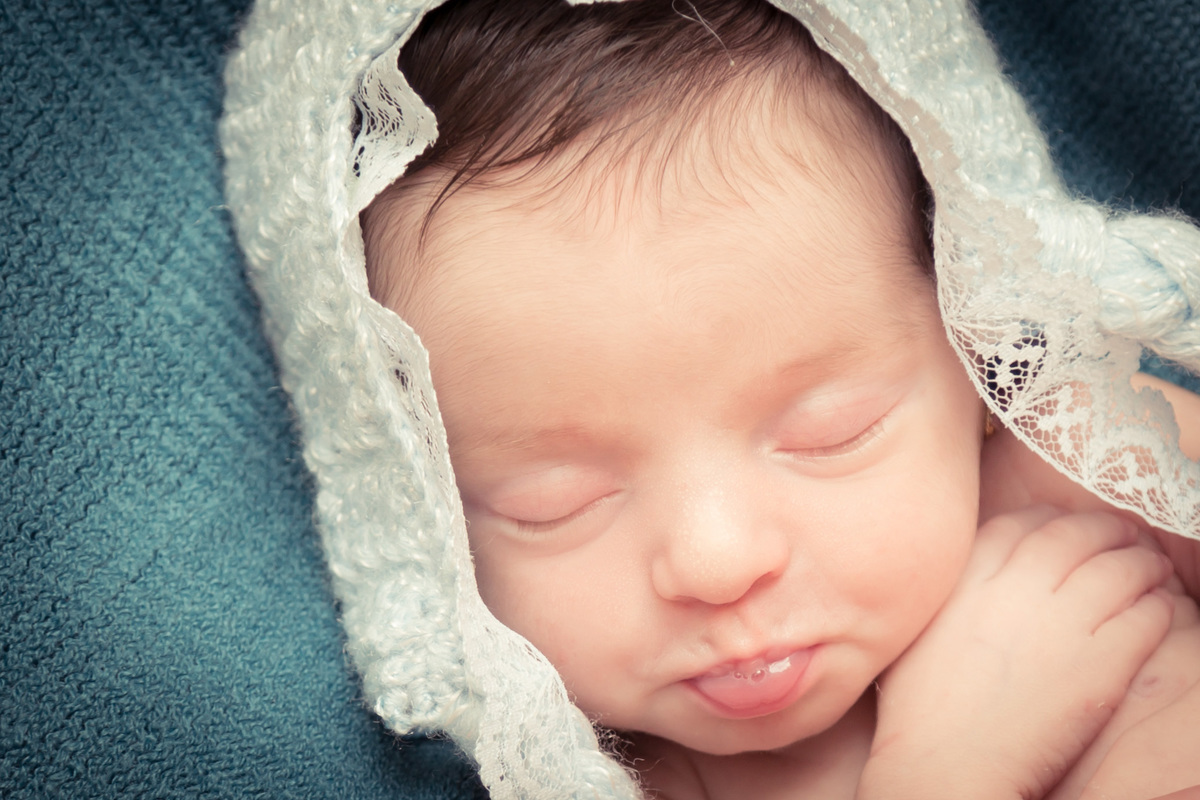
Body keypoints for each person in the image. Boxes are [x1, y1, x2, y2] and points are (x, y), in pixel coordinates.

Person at [221, 0, 1200, 797]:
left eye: (832, 432)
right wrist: (948, 770)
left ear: (971, 334)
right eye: (552, 503)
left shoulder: (1102, 468)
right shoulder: (645, 779)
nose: (718, 561)